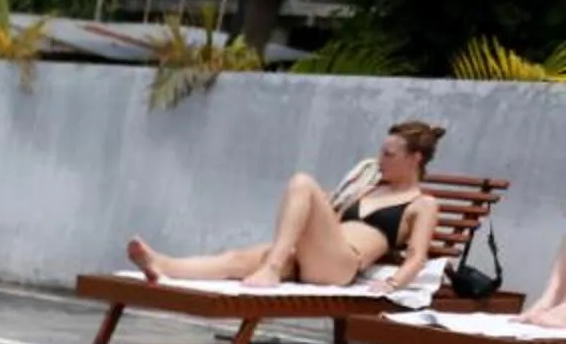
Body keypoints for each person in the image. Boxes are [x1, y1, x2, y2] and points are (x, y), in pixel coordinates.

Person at [126, 121, 447, 292]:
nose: (380, 160)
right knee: (237, 259)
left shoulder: (422, 203)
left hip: (341, 264)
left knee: (302, 182)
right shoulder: (368, 187)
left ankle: (273, 268)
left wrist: (392, 284)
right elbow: (326, 220)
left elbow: (418, 256)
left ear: (415, 158)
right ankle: (163, 265)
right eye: (382, 152)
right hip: (316, 252)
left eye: (389, 154)